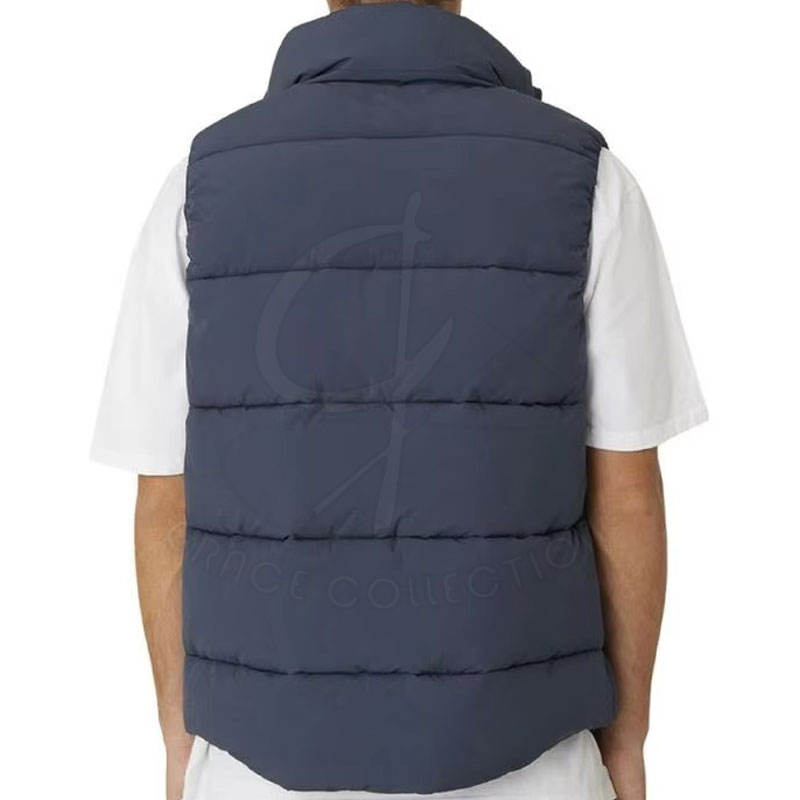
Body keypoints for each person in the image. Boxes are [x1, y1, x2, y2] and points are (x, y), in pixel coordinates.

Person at [92, 2, 707, 799]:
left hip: (256, 770)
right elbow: (626, 494)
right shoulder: (585, 178)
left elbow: (163, 499)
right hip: (532, 766)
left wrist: (182, 749)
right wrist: (626, 747)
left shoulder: (201, 183)